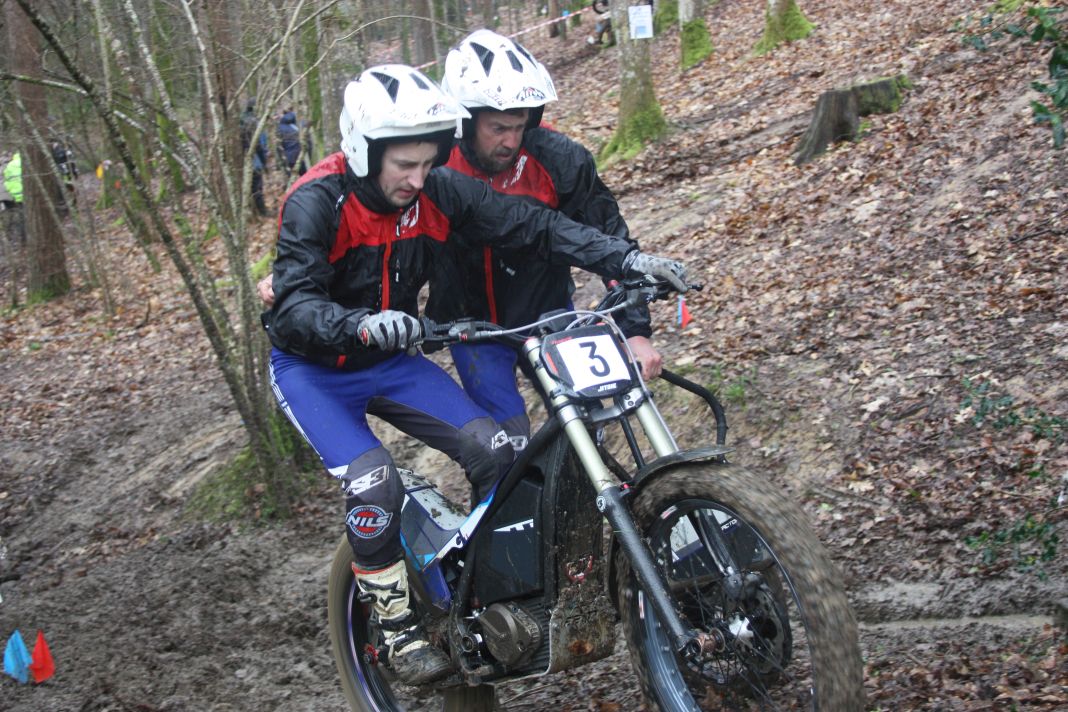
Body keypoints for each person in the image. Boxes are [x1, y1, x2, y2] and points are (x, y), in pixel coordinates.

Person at [264, 64, 686, 686]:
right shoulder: (316, 202)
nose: (417, 179)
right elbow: (293, 305)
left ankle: (482, 596)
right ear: (363, 151)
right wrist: (359, 323)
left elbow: (533, 224)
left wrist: (625, 258)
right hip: (312, 371)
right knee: (375, 484)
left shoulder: (437, 190)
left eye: (426, 162)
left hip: (392, 362)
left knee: (499, 454)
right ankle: (398, 631)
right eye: (403, 165)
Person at [431, 29, 664, 449]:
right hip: (474, 329)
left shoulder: (560, 159)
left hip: (549, 314)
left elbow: (609, 238)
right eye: (498, 128)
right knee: (506, 444)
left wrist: (635, 331)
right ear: (464, 120)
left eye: (520, 126)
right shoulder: (432, 168)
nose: (511, 141)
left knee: (588, 428)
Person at [240, 99, 270, 216]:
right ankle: (262, 211)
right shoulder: (255, 122)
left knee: (251, 186)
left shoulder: (241, 120)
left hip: (243, 159)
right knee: (257, 186)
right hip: (254, 159)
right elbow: (259, 145)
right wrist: (264, 162)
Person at [276, 108, 307, 178]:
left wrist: (281, 162)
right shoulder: (301, 122)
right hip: (302, 156)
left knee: (293, 180)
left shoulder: (280, 128)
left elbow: (279, 147)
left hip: (290, 158)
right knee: (306, 178)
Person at [2, 152, 25, 243]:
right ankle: (22, 237)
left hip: (12, 195)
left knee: (12, 214)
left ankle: (10, 234)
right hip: (22, 194)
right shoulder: (24, 163)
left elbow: (7, 182)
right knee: (22, 216)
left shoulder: (9, 166)